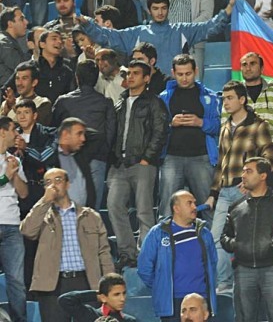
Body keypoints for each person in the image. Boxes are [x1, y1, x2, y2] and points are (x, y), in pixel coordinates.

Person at [207, 80, 273, 292]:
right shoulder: (225, 127)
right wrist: (213, 192)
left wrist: (252, 183)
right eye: (223, 98)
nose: (225, 102)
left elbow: (270, 159)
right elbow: (221, 163)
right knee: (216, 237)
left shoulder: (259, 125)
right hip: (225, 190)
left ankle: (245, 284)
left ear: (242, 99)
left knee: (245, 239)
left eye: (229, 98)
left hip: (244, 191)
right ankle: (225, 283)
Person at [20, 167, 114, 322]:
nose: (53, 185)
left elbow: (103, 252)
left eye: (58, 180)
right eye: (48, 182)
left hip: (87, 282)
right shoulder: (42, 216)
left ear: (68, 184)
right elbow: (27, 231)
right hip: (53, 285)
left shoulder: (90, 216)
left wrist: (109, 284)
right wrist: (45, 201)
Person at [77, 0, 233, 73]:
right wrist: (88, 24)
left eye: (163, 8)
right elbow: (107, 37)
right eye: (156, 8)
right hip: (147, 90)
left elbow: (209, 28)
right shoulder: (136, 33)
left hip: (175, 88)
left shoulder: (182, 30)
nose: (160, 12)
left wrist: (228, 10)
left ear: (168, 9)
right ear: (149, 10)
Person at [108, 60, 168, 271]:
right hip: (119, 164)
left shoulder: (154, 102)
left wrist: (147, 158)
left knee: (144, 211)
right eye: (129, 73)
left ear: (147, 78)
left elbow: (160, 131)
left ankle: (147, 255)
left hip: (142, 163)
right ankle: (128, 254)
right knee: (114, 206)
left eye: (136, 73)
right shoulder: (120, 100)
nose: (130, 77)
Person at [221, 157, 273, 322]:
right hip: (243, 270)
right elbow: (224, 237)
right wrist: (237, 244)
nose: (243, 175)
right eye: (243, 171)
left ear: (263, 175)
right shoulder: (236, 206)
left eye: (248, 171)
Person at [137, 190, 218, 321]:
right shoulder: (157, 233)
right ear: (177, 208)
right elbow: (144, 268)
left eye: (194, 203)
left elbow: (213, 263)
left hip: (200, 299)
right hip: (172, 303)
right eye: (189, 203)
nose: (194, 207)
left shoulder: (204, 232)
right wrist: (161, 286)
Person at [159, 54, 219, 223]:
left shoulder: (210, 97)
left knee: (208, 208)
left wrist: (201, 122)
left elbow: (220, 125)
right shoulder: (163, 97)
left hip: (202, 157)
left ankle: (212, 247)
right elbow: (156, 128)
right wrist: (170, 124)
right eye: (180, 74)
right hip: (171, 157)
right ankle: (166, 246)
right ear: (173, 73)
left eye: (188, 74)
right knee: (166, 210)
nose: (184, 78)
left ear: (196, 71)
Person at [52, 60, 116, 210]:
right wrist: (103, 153)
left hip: (70, 159)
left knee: (66, 207)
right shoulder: (105, 102)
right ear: (96, 79)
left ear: (77, 77)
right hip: (96, 159)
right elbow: (111, 131)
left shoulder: (63, 101)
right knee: (92, 210)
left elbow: (55, 128)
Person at [231, 51, 273, 193]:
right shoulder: (234, 93)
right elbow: (227, 123)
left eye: (253, 64)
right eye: (244, 65)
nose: (248, 68)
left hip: (272, 155)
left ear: (262, 68)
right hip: (243, 158)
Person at [0, 116, 28, 322]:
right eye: (13, 130)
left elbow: (24, 193)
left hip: (11, 226)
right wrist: (5, 177)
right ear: (2, 132)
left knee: (17, 280)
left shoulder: (14, 160)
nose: (17, 135)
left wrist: (15, 174)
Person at [58, 273, 137, 322]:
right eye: (116, 294)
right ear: (103, 297)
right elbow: (65, 300)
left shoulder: (130, 320)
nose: (122, 299)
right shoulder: (89, 314)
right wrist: (96, 294)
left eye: (124, 293)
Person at [1, 61, 52, 126]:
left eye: (24, 78)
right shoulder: (6, 104)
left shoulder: (43, 103)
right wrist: (4, 113)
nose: (19, 83)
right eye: (17, 79)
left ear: (34, 82)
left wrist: (14, 107)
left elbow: (33, 127)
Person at [32, 30, 75, 103]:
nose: (59, 42)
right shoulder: (30, 68)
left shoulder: (68, 68)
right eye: (54, 38)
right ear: (42, 44)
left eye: (61, 39)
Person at [0, 7, 31, 87]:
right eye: (21, 19)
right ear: (10, 24)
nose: (26, 22)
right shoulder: (4, 43)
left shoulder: (8, 41)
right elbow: (21, 67)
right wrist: (32, 50)